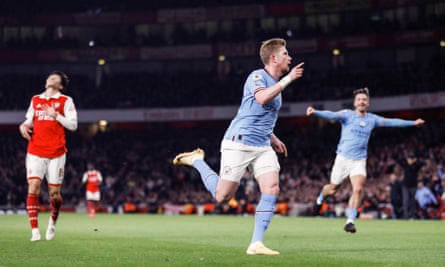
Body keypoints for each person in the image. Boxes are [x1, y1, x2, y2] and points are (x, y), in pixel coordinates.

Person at [173, 38, 304, 255]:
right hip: (239, 142)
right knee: (222, 197)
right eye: (285, 54)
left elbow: (258, 115)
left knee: (271, 188)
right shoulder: (257, 76)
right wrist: (289, 79)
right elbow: (261, 99)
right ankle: (197, 161)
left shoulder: (276, 85)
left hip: (262, 145)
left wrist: (274, 138)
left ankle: (256, 243)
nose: (289, 57)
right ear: (273, 58)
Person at [307, 87, 424, 233]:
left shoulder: (372, 119)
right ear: (355, 103)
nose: (362, 102)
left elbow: (392, 122)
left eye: (364, 100)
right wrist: (315, 112)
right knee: (332, 189)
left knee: (358, 189)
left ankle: (350, 221)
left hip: (359, 161)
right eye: (359, 100)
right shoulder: (347, 115)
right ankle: (319, 200)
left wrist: (412, 123)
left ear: (368, 103)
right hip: (342, 159)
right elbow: (331, 115)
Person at [19, 71, 78, 241]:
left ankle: (53, 221)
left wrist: (56, 115)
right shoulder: (36, 99)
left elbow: (73, 125)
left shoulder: (66, 101)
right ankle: (35, 231)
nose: (49, 79)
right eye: (49, 77)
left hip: (56, 152)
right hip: (36, 150)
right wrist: (23, 126)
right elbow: (30, 120)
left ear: (60, 85)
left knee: (54, 194)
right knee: (34, 185)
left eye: (54, 78)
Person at [396, 153, 424, 219]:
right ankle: (405, 216)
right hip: (405, 185)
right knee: (405, 201)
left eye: (411, 159)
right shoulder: (405, 165)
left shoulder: (416, 165)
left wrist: (415, 160)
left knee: (412, 201)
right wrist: (405, 158)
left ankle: (412, 215)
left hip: (413, 185)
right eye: (409, 159)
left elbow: (422, 163)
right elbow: (398, 160)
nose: (410, 160)